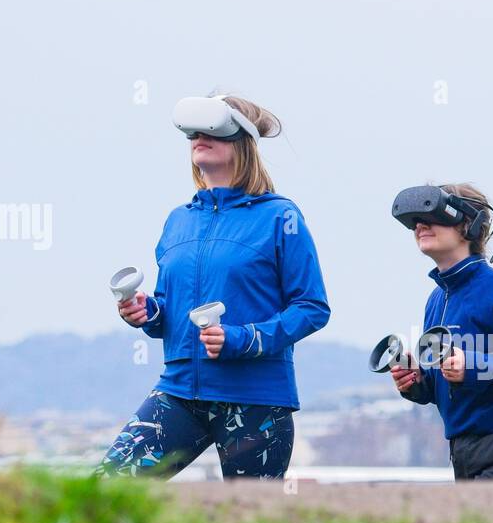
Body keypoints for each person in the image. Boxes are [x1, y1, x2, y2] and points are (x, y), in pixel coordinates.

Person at [97, 90, 330, 480]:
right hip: (180, 391)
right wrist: (146, 311)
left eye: (213, 132)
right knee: (103, 489)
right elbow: (167, 311)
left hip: (256, 402)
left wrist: (242, 338)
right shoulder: (178, 220)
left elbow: (312, 307)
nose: (199, 140)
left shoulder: (280, 217)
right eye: (192, 135)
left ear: (243, 142)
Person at [389, 183, 493, 480]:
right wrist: (417, 381)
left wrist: (473, 365)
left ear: (471, 224)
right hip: (466, 450)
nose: (420, 225)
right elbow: (448, 381)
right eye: (416, 220)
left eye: (432, 215)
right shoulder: (437, 299)